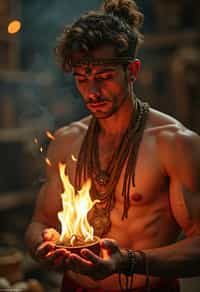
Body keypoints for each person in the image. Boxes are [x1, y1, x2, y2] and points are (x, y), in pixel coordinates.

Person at [25, 0, 200, 291]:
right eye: (82, 79)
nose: (92, 92)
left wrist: (126, 261)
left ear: (132, 71)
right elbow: (38, 223)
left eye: (104, 78)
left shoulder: (174, 143)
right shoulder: (67, 140)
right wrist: (42, 246)